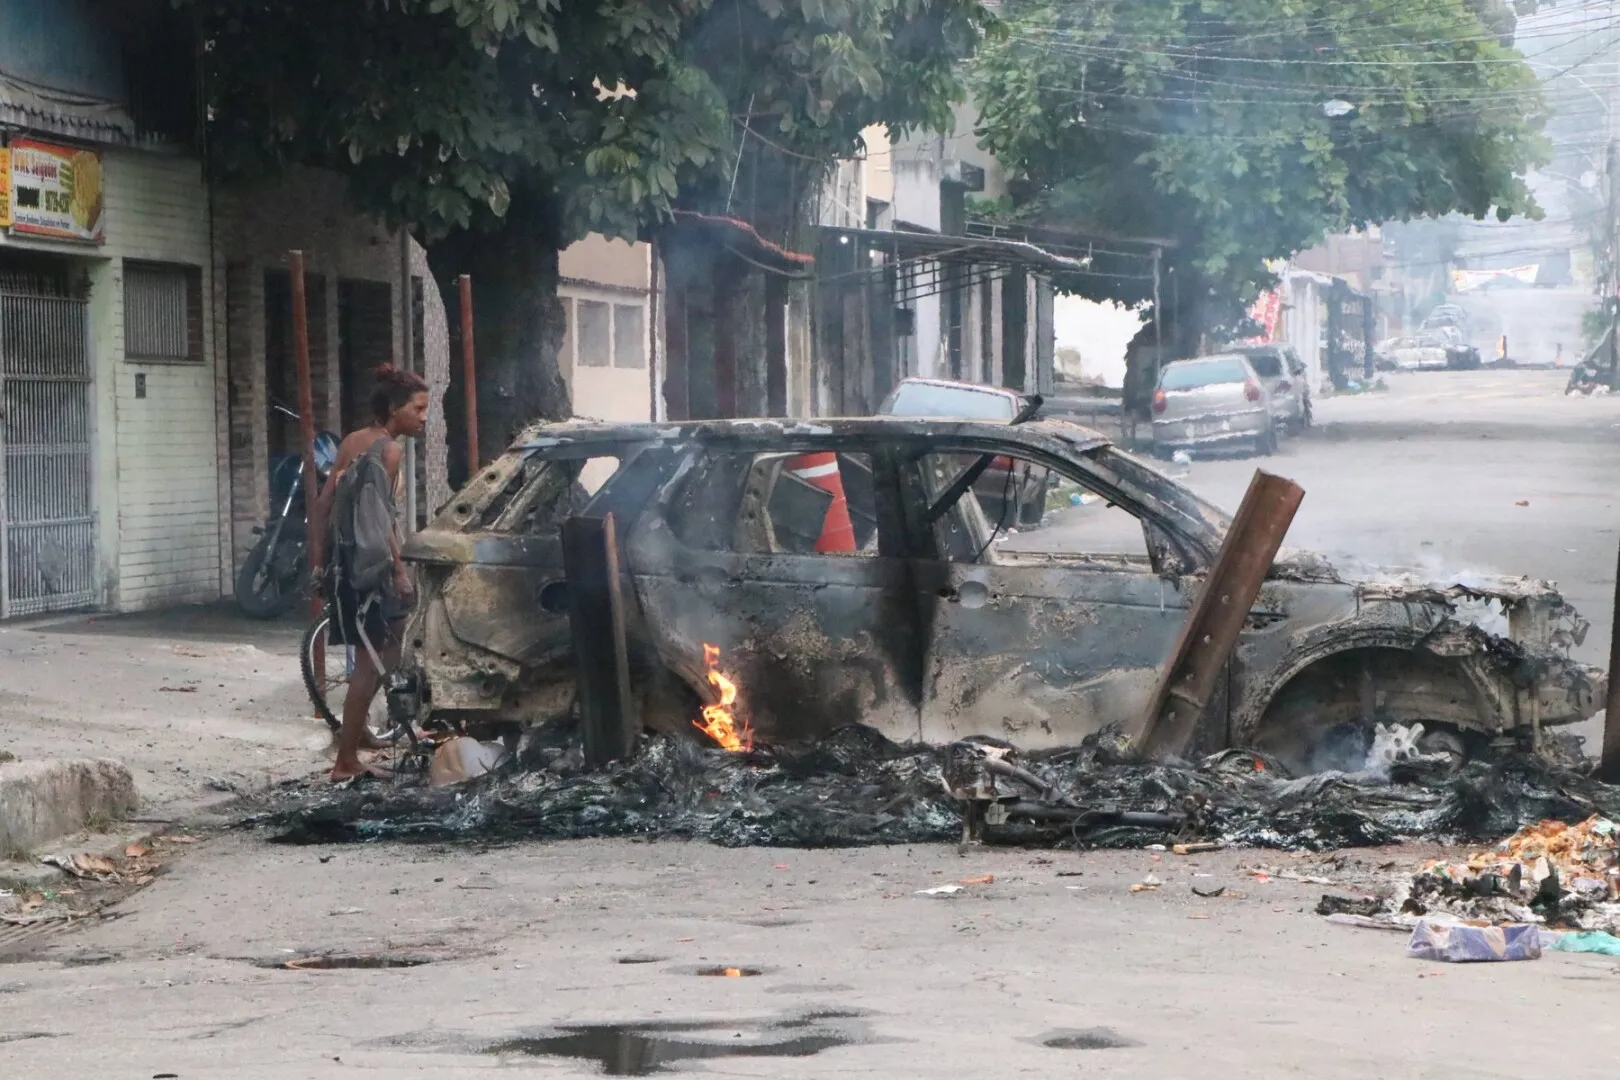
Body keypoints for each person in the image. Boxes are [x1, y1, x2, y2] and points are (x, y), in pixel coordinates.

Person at [308, 365, 430, 781]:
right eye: (419, 408)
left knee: (374, 655)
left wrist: (319, 563)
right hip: (370, 568)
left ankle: (357, 738)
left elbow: (324, 505)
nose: (423, 417)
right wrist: (398, 572)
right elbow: (381, 526)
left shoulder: (352, 441)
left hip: (345, 565)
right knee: (377, 660)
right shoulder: (388, 452)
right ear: (395, 410)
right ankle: (345, 763)